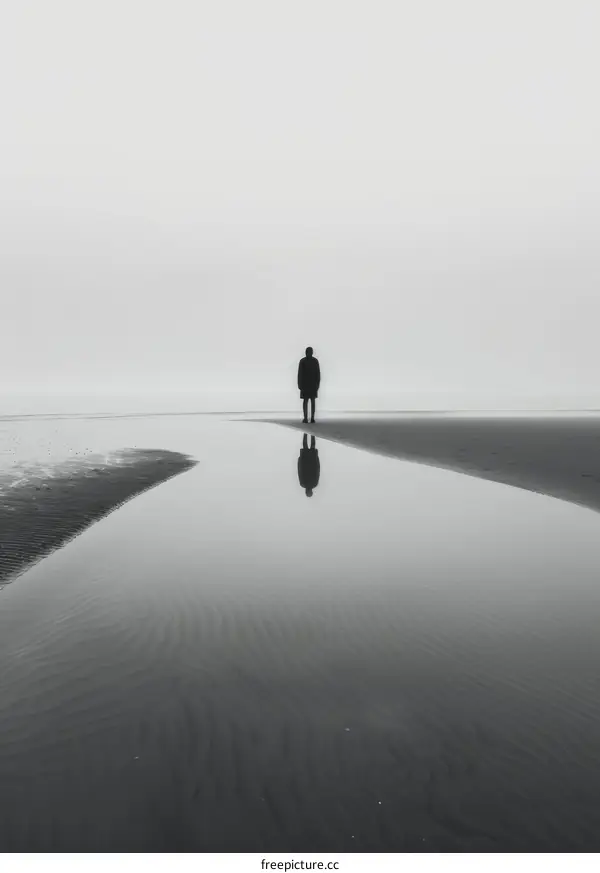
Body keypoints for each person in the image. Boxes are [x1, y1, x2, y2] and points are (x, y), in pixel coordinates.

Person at [297, 346, 320, 423]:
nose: (309, 353)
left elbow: (318, 374)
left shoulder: (307, 361)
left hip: (309, 384)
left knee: (309, 401)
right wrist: (299, 384)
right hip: (308, 384)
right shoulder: (311, 361)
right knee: (308, 401)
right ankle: (308, 418)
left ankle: (309, 418)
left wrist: (299, 384)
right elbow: (300, 374)